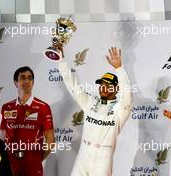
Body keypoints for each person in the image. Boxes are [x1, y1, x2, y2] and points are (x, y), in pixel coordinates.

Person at [56, 46, 132, 176]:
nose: (104, 88)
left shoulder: (121, 110)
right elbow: (72, 85)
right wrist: (61, 61)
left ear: (117, 88)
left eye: (108, 85)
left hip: (103, 159)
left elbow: (127, 95)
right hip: (83, 156)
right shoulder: (90, 102)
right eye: (102, 84)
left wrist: (119, 68)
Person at [0, 66, 55, 176]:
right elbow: (2, 137)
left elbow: (50, 140)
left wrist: (37, 159)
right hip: (10, 162)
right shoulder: (6, 107)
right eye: (22, 78)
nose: (26, 81)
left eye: (30, 78)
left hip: (32, 162)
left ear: (33, 82)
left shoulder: (43, 107)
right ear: (16, 82)